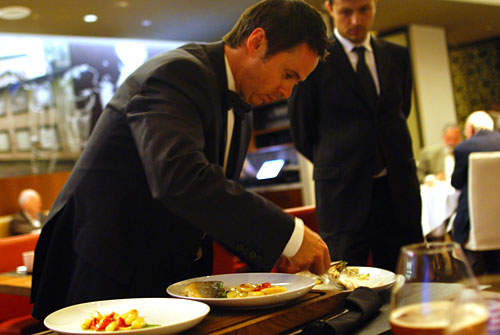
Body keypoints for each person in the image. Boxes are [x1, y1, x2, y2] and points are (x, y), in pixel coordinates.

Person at [31, 0, 331, 321]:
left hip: (161, 267)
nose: (287, 92)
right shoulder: (179, 72)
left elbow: (212, 198)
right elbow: (180, 177)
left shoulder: (240, 105)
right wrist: (290, 235)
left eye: (296, 83)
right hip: (104, 265)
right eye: (288, 74)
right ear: (257, 42)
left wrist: (273, 251)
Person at [287, 0, 423, 272]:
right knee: (347, 286)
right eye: (346, 12)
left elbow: (398, 113)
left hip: (398, 190)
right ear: (330, 9)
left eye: (364, 10)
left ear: (374, 6)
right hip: (342, 196)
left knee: (408, 283)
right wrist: (340, 162)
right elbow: (302, 131)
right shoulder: (314, 58)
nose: (356, 21)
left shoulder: (397, 56)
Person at [451, 111, 500, 273]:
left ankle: (471, 277)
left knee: (454, 227)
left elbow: (456, 183)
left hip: (475, 221)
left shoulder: (464, 148)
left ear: (470, 128)